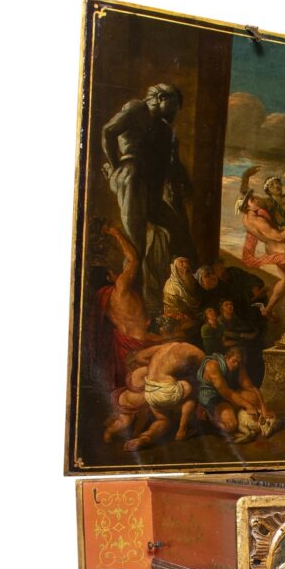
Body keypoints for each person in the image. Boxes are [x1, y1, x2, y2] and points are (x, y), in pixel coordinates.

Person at [100, 84, 195, 305]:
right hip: (131, 178)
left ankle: (174, 294)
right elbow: (108, 132)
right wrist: (115, 168)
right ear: (160, 98)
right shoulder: (137, 109)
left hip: (150, 189)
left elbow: (172, 163)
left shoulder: (165, 131)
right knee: (136, 246)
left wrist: (187, 184)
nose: (175, 111)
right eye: (174, 105)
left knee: (177, 229)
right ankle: (133, 303)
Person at [87, 224, 167, 390]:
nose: (117, 273)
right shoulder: (120, 289)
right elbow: (133, 259)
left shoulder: (101, 300)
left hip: (123, 345)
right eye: (113, 272)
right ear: (108, 277)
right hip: (141, 342)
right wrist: (116, 233)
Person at [103, 341, 198, 451]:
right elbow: (158, 374)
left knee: (132, 421)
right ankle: (126, 434)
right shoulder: (142, 371)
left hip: (138, 402)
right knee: (159, 420)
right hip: (135, 401)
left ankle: (135, 436)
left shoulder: (137, 374)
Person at [196, 345, 275, 443]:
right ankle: (207, 413)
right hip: (212, 397)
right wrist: (248, 405)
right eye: (234, 361)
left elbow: (251, 388)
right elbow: (226, 393)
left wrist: (264, 409)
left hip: (228, 394)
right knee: (231, 425)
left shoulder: (238, 365)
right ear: (226, 357)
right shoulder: (213, 365)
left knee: (253, 397)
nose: (236, 364)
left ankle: (234, 409)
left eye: (239, 362)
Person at [161, 256, 202, 338]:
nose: (186, 265)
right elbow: (173, 310)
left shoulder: (194, 282)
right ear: (174, 268)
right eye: (181, 263)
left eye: (186, 262)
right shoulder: (170, 287)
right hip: (179, 319)